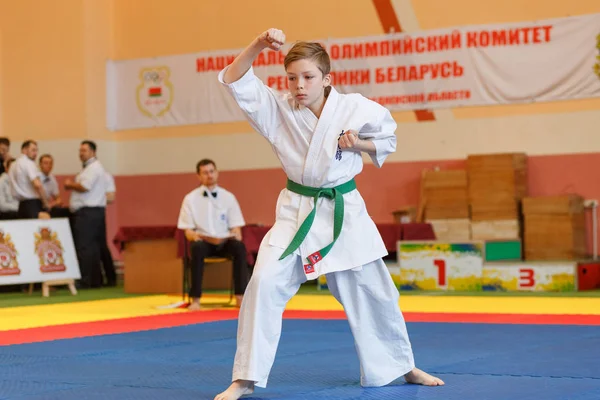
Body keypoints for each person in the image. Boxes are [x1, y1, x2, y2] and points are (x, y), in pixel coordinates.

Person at [214, 29, 444, 400]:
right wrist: (257, 44)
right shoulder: (278, 109)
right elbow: (235, 78)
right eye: (292, 78)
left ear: (327, 79)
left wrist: (360, 144)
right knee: (263, 283)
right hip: (297, 213)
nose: (298, 86)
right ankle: (245, 377)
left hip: (344, 212)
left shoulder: (355, 108)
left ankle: (403, 366)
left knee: (376, 292)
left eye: (307, 77)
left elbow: (387, 141)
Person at [177, 159, 249, 310]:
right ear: (198, 176)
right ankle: (195, 299)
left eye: (211, 171)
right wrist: (195, 236)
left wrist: (234, 234)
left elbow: (237, 228)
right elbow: (187, 230)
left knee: (239, 247)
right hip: (203, 241)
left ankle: (240, 297)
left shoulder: (228, 197)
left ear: (217, 172)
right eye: (205, 172)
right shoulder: (190, 199)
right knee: (196, 248)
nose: (209, 175)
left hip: (224, 242)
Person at [64, 140, 108, 289]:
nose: (81, 153)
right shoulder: (89, 168)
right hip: (92, 212)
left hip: (88, 212)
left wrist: (70, 185)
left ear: (93, 152)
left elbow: (85, 187)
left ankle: (86, 280)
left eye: (84, 150)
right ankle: (95, 279)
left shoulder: (94, 168)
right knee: (92, 247)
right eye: (80, 150)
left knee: (85, 247)